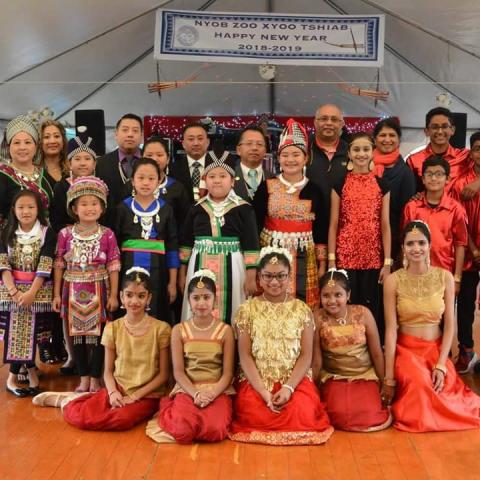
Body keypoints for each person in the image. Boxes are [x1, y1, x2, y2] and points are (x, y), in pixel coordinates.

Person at [33, 268, 171, 431]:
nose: (134, 301)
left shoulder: (161, 329)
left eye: (141, 296)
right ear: (121, 296)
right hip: (119, 388)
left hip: (147, 395)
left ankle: (84, 398)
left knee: (121, 419)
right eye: (129, 295)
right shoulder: (113, 328)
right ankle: (67, 401)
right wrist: (113, 392)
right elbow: (108, 372)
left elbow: (163, 375)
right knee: (82, 417)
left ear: (149, 298)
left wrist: (134, 397)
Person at [382, 221, 480, 432]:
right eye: (410, 244)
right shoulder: (393, 281)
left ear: (429, 245)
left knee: (449, 393)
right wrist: (389, 377)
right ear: (403, 249)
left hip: (436, 350)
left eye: (421, 243)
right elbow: (391, 330)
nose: (416, 248)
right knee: (419, 385)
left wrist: (442, 364)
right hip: (406, 351)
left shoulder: (444, 277)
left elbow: (450, 327)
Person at [229, 247, 333, 445]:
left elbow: (305, 356)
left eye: (280, 276)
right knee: (255, 415)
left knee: (301, 414)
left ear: (290, 277)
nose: (274, 282)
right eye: (268, 276)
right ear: (259, 277)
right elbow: (245, 356)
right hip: (257, 381)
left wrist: (288, 388)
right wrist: (263, 391)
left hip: (293, 381)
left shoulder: (302, 310)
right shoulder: (247, 309)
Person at [147, 269, 235, 444]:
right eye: (196, 298)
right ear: (188, 300)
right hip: (188, 389)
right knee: (183, 431)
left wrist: (211, 394)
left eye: (206, 297)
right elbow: (178, 372)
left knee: (215, 431)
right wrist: (195, 393)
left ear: (214, 301)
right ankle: (170, 407)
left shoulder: (225, 331)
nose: (201, 303)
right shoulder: (179, 330)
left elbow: (227, 373)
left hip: (217, 390)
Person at [53, 176, 120, 393]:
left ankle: (95, 376)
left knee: (100, 335)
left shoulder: (107, 234)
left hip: (100, 288)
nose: (89, 208)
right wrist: (56, 294)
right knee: (77, 336)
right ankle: (83, 377)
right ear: (74, 207)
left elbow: (113, 265)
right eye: (84, 204)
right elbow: (59, 265)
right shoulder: (65, 234)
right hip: (71, 289)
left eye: (94, 203)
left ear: (102, 207)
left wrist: (113, 295)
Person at [253, 118, 329, 310]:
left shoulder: (315, 190)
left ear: (305, 158)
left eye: (296, 154)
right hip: (270, 249)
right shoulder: (266, 187)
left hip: (306, 252)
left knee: (302, 305)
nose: (290, 159)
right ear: (278, 158)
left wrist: (322, 263)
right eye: (285, 155)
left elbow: (321, 228)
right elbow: (254, 224)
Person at [179, 151, 259, 324]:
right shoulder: (196, 208)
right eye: (212, 176)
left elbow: (251, 243)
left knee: (234, 307)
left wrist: (251, 276)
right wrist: (182, 274)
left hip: (234, 266)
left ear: (232, 180)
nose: (217, 180)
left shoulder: (244, 209)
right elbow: (186, 243)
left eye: (223, 176)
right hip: (199, 262)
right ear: (205, 180)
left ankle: (232, 345)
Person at [312, 269, 391, 432]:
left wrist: (385, 383)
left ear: (348, 295)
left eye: (338, 295)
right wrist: (313, 391)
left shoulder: (363, 313)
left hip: (364, 376)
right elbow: (317, 360)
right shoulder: (317, 317)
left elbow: (376, 353)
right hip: (335, 378)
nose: (332, 301)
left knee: (369, 414)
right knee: (338, 414)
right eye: (326, 295)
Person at [328, 132, 392, 332]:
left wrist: (387, 262)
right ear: (349, 153)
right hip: (345, 257)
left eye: (365, 149)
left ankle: (371, 352)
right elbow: (333, 224)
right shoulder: (340, 184)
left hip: (373, 258)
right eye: (356, 149)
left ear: (372, 153)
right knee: (347, 306)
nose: (361, 154)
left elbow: (385, 224)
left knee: (370, 308)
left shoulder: (382, 185)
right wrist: (331, 261)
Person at [0, 190, 55, 397]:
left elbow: (46, 262)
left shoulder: (46, 232)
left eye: (31, 207)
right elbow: (2, 264)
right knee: (15, 333)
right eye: (21, 207)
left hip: (37, 292)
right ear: (13, 210)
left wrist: (31, 292)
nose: (26, 211)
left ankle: (23, 375)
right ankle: (16, 377)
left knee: (33, 334)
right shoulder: (6, 232)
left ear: (38, 210)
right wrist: (14, 292)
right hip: (10, 290)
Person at [115, 158, 179, 322]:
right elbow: (114, 248)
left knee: (157, 315)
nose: (146, 183)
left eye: (151, 178)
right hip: (127, 269)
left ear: (159, 181)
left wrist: (172, 282)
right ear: (132, 180)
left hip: (159, 271)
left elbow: (172, 247)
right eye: (141, 178)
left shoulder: (166, 209)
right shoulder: (122, 208)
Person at [401, 156, 467, 294]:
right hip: (414, 271)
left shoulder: (456, 209)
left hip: (444, 272)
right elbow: (404, 242)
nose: (434, 178)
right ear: (423, 179)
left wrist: (457, 278)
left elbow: (460, 244)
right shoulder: (412, 207)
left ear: (447, 179)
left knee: (443, 313)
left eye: (439, 174)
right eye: (429, 174)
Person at [450, 132, 480, 372]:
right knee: (466, 305)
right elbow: (458, 220)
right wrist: (473, 249)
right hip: (469, 254)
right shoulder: (460, 182)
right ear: (471, 153)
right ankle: (466, 349)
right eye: (478, 148)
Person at [122, 136, 190, 234]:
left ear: (168, 158)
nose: (154, 159)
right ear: (141, 157)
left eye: (159, 155)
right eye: (149, 155)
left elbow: (184, 222)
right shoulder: (130, 186)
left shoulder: (178, 188)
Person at [406, 107, 480, 197]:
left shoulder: (465, 156)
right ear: (427, 131)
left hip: (459, 210)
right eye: (434, 127)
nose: (440, 131)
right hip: (428, 210)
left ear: (452, 130)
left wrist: (478, 182)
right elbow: (409, 191)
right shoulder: (413, 160)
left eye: (444, 126)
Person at [50, 131, 116, 232]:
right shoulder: (61, 187)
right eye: (77, 159)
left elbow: (110, 218)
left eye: (87, 158)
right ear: (69, 164)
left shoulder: (103, 187)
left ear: (94, 164)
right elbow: (56, 220)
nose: (82, 163)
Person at [373, 118, 416, 263]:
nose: (387, 139)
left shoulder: (405, 172)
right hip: (365, 237)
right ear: (375, 139)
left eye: (392, 135)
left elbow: (406, 213)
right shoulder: (364, 165)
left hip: (392, 239)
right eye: (382, 135)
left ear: (399, 140)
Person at [0, 115, 54, 224]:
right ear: (8, 147)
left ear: (36, 146)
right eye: (16, 142)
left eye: (28, 142)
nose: (22, 147)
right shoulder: (3, 174)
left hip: (45, 236)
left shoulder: (43, 173)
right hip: (11, 237)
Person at [306, 104, 348, 211]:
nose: (329, 123)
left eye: (334, 119)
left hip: (341, 220)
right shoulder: (303, 148)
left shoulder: (351, 151)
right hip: (308, 219)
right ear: (315, 123)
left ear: (342, 124)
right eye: (324, 119)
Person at [96, 113, 143, 205]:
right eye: (125, 130)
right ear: (116, 134)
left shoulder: (150, 161)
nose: (130, 134)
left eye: (135, 131)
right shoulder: (100, 163)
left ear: (142, 136)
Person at [169, 122, 212, 204]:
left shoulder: (217, 166)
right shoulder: (173, 169)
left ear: (207, 142)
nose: (196, 143)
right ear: (183, 144)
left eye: (200, 138)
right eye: (191, 139)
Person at [233, 125, 274, 202]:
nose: (254, 148)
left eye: (259, 144)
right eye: (249, 143)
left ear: (265, 151)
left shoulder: (273, 179)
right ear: (238, 150)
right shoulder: (228, 177)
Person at [39, 119, 69, 189]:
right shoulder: (34, 171)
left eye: (56, 136)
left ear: (63, 140)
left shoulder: (72, 169)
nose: (52, 141)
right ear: (40, 142)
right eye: (46, 137)